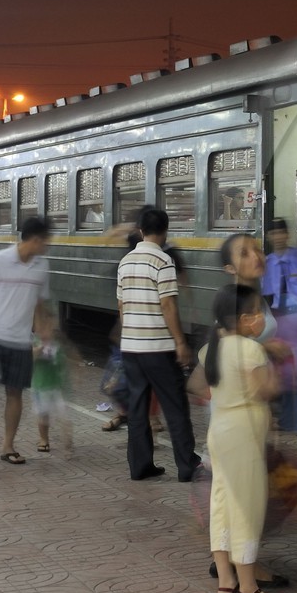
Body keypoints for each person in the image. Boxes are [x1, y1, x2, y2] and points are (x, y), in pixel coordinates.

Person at [191, 283, 287, 593]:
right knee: (246, 508)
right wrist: (276, 364)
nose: (262, 319)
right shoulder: (251, 350)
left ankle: (225, 584)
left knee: (221, 504)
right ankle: (248, 588)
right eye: (258, 313)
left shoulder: (212, 349)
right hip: (244, 434)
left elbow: (197, 385)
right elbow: (267, 391)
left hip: (220, 431)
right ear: (245, 319)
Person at [115, 206, 198, 482]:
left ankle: (140, 465)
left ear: (140, 230)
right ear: (165, 231)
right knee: (174, 406)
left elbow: (121, 304)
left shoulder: (125, 261)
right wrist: (180, 342)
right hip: (159, 347)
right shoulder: (163, 260)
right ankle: (186, 465)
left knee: (137, 408)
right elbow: (167, 304)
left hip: (132, 347)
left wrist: (130, 333)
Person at [0, 217, 53, 464]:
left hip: (20, 340)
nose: (47, 246)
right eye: (46, 241)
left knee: (15, 393)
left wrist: (43, 334)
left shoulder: (41, 266)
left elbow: (39, 303)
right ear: (35, 240)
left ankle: (7, 445)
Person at [32, 324, 72, 454]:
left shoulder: (56, 345)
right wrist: (38, 350)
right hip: (40, 386)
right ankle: (44, 439)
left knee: (63, 413)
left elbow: (62, 362)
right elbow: (30, 358)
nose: (46, 333)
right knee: (43, 414)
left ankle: (67, 441)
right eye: (43, 329)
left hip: (56, 386)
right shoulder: (34, 342)